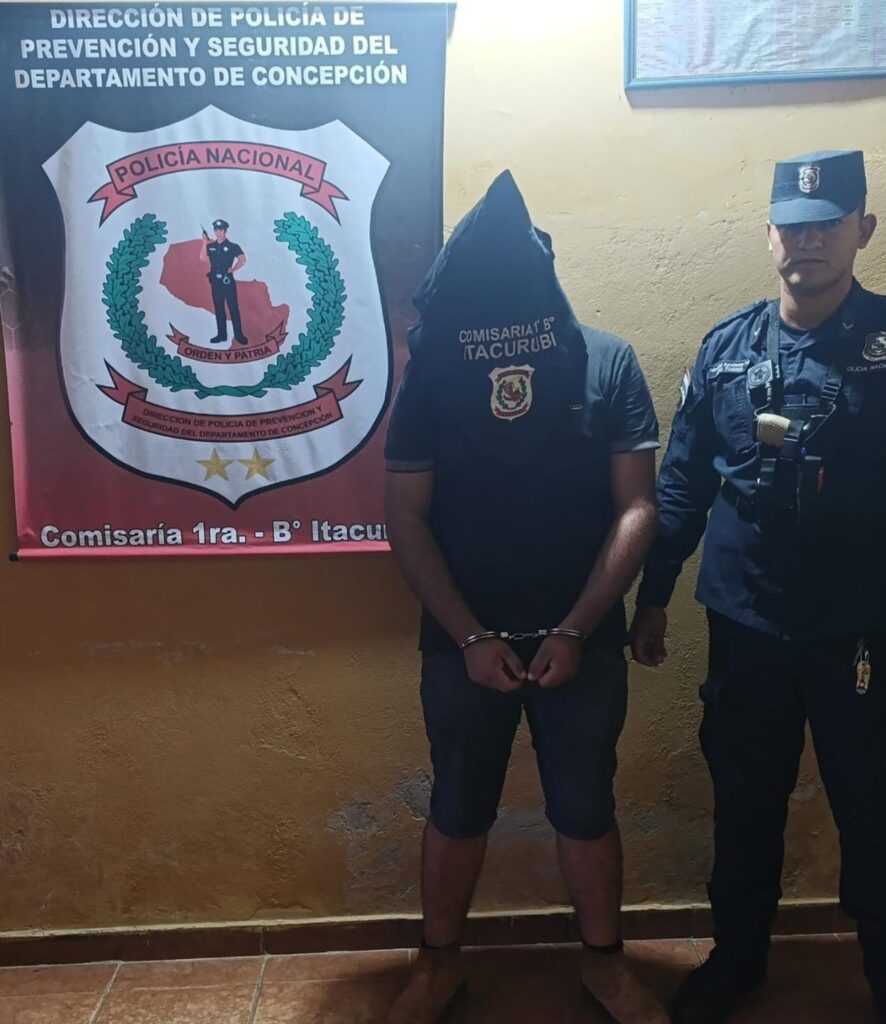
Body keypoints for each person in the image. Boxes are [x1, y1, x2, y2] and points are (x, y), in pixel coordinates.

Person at [384, 170, 665, 1024]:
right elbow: (404, 515)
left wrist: (577, 628)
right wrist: (469, 637)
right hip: (462, 644)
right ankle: (437, 966)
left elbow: (638, 507)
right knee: (457, 805)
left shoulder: (606, 360)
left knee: (585, 808)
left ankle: (605, 967)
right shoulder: (433, 372)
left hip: (582, 638)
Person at [631, 150, 886, 1024]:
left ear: (863, 230)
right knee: (744, 804)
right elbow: (682, 486)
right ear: (770, 235)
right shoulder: (726, 350)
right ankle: (737, 961)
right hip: (747, 627)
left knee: (874, 806)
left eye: (828, 224)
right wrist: (653, 594)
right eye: (793, 227)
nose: (809, 241)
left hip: (861, 630)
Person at [199, 218, 248, 345]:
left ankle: (239, 335)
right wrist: (204, 242)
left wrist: (233, 269)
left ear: (225, 231)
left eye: (220, 230)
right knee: (219, 308)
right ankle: (221, 335)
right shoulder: (211, 246)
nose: (218, 232)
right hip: (215, 282)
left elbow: (242, 260)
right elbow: (203, 258)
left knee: (233, 308)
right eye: (216, 230)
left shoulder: (232, 246)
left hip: (227, 281)